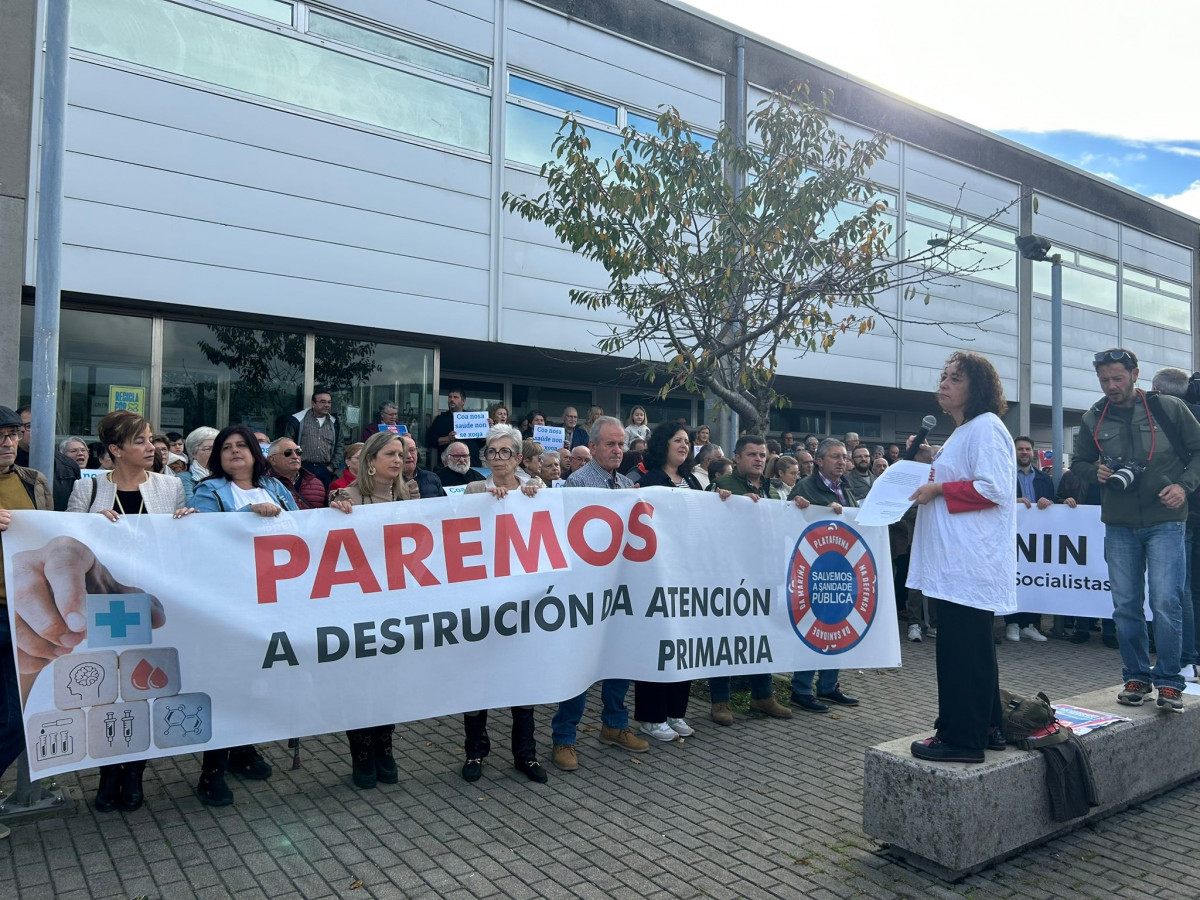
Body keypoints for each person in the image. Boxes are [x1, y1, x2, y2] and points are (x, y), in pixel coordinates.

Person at [67, 410, 194, 812]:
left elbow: (182, 546)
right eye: (140, 441)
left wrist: (190, 522)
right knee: (108, 690)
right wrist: (90, 524)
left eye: (153, 440)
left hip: (151, 603)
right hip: (105, 607)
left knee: (141, 689)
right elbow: (68, 540)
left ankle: (135, 772)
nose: (152, 448)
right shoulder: (85, 491)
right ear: (115, 450)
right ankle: (108, 772)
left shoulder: (171, 487)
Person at [1069, 348, 1200, 712]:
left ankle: (1170, 681)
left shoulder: (1168, 408)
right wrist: (1089, 472)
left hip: (1167, 522)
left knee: (1165, 601)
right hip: (1120, 524)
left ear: (1135, 374)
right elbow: (1078, 461)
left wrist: (1183, 486)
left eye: (1118, 378)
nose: (1111, 386)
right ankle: (1137, 676)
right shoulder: (1093, 417)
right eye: (1104, 380)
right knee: (1125, 605)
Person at [907, 351, 1016, 763]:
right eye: (943, 376)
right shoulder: (965, 431)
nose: (944, 383)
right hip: (957, 562)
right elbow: (961, 476)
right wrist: (929, 466)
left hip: (968, 562)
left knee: (960, 652)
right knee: (973, 650)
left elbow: (993, 489)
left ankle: (961, 738)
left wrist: (938, 490)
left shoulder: (986, 428)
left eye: (955, 378)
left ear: (978, 388)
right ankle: (987, 726)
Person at [190, 425, 298, 803]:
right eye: (226, 448)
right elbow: (203, 535)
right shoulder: (208, 490)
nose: (235, 452)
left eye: (242, 446)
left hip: (271, 602)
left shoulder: (279, 488)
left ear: (255, 452)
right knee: (226, 684)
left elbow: (302, 530)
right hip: (228, 603)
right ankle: (211, 771)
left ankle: (243, 749)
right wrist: (246, 513)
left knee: (257, 682)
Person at [551, 417, 650, 770]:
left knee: (619, 661)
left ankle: (614, 725)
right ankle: (564, 738)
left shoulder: (626, 484)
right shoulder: (576, 484)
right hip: (586, 593)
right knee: (581, 665)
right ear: (592, 448)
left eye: (621, 444)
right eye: (610, 444)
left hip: (620, 591)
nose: (618, 450)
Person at [460, 425, 548, 784]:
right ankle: (474, 753)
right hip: (482, 600)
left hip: (522, 602)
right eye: (491, 452)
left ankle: (525, 755)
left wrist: (531, 497)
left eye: (505, 452)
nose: (498, 458)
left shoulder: (536, 490)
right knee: (478, 680)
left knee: (522, 682)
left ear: (518, 458)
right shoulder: (474, 489)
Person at [632, 423, 724, 741]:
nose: (684, 446)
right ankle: (651, 716)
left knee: (683, 645)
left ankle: (675, 712)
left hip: (688, 577)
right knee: (658, 646)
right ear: (663, 445)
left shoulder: (691, 482)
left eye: (687, 442)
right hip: (658, 574)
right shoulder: (647, 482)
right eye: (677, 440)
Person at [330, 431, 411, 788]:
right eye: (390, 453)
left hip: (395, 606)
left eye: (402, 453)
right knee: (358, 682)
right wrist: (333, 509)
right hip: (357, 606)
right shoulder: (347, 498)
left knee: (388, 682)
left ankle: (385, 748)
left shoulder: (411, 495)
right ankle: (361, 753)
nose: (398, 459)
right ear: (371, 460)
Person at [708, 436, 800, 723]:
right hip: (731, 573)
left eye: (762, 455)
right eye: (752, 454)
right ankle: (720, 702)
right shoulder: (724, 487)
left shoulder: (774, 491)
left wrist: (800, 507)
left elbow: (783, 525)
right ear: (737, 458)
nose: (759, 459)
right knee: (725, 636)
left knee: (761, 635)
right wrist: (726, 503)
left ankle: (762, 696)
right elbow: (710, 524)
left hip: (764, 572)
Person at [0, 406, 53, 839]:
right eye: (0, 434)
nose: (7, 442)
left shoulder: (32, 482)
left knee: (18, 715)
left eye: (13, 434)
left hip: (21, 615)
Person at [788, 439, 860, 712]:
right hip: (814, 572)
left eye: (844, 457)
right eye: (835, 457)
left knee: (836, 629)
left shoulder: (846, 489)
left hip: (841, 570)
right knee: (812, 629)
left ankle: (829, 686)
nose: (842, 461)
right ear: (818, 461)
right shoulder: (805, 487)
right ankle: (801, 689)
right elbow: (791, 521)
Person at [1005, 436, 1055, 642]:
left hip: (1037, 538)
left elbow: (1053, 504)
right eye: (1020, 449)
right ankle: (1012, 623)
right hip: (1012, 536)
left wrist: (1049, 502)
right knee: (1014, 578)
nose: (1024, 452)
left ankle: (1031, 624)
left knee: (1035, 578)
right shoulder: (1005, 475)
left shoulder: (1044, 478)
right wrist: (1012, 501)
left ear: (1033, 452)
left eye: (1027, 449)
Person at [15, 405, 80, 511]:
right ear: (17, 430)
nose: (37, 431)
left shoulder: (68, 466)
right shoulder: (6, 464)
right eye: (29, 426)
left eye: (43, 426)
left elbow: (77, 509)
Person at [284, 389, 340, 491]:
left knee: (325, 502)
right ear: (313, 403)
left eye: (329, 402)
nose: (327, 405)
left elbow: (340, 445)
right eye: (322, 402)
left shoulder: (334, 423)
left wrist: (332, 467)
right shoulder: (298, 420)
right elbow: (287, 444)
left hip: (325, 469)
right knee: (302, 499)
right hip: (303, 469)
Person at [266, 437, 327, 509]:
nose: (295, 456)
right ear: (272, 460)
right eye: (288, 453)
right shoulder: (263, 485)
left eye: (298, 452)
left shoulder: (317, 484)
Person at [427, 387, 483, 463]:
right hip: (448, 465)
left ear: (463, 401)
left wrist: (487, 427)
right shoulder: (440, 420)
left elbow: (482, 442)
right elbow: (430, 440)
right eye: (450, 397)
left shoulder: (473, 419)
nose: (452, 399)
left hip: (472, 463)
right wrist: (448, 438)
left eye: (455, 397)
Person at [177, 426, 218, 503]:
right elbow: (193, 506)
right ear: (193, 454)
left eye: (218, 448)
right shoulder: (184, 478)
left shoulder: (228, 476)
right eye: (208, 449)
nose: (215, 453)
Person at [401, 434, 444, 498]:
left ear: (417, 451)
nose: (409, 456)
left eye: (412, 450)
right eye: (403, 451)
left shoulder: (432, 478)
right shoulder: (388, 482)